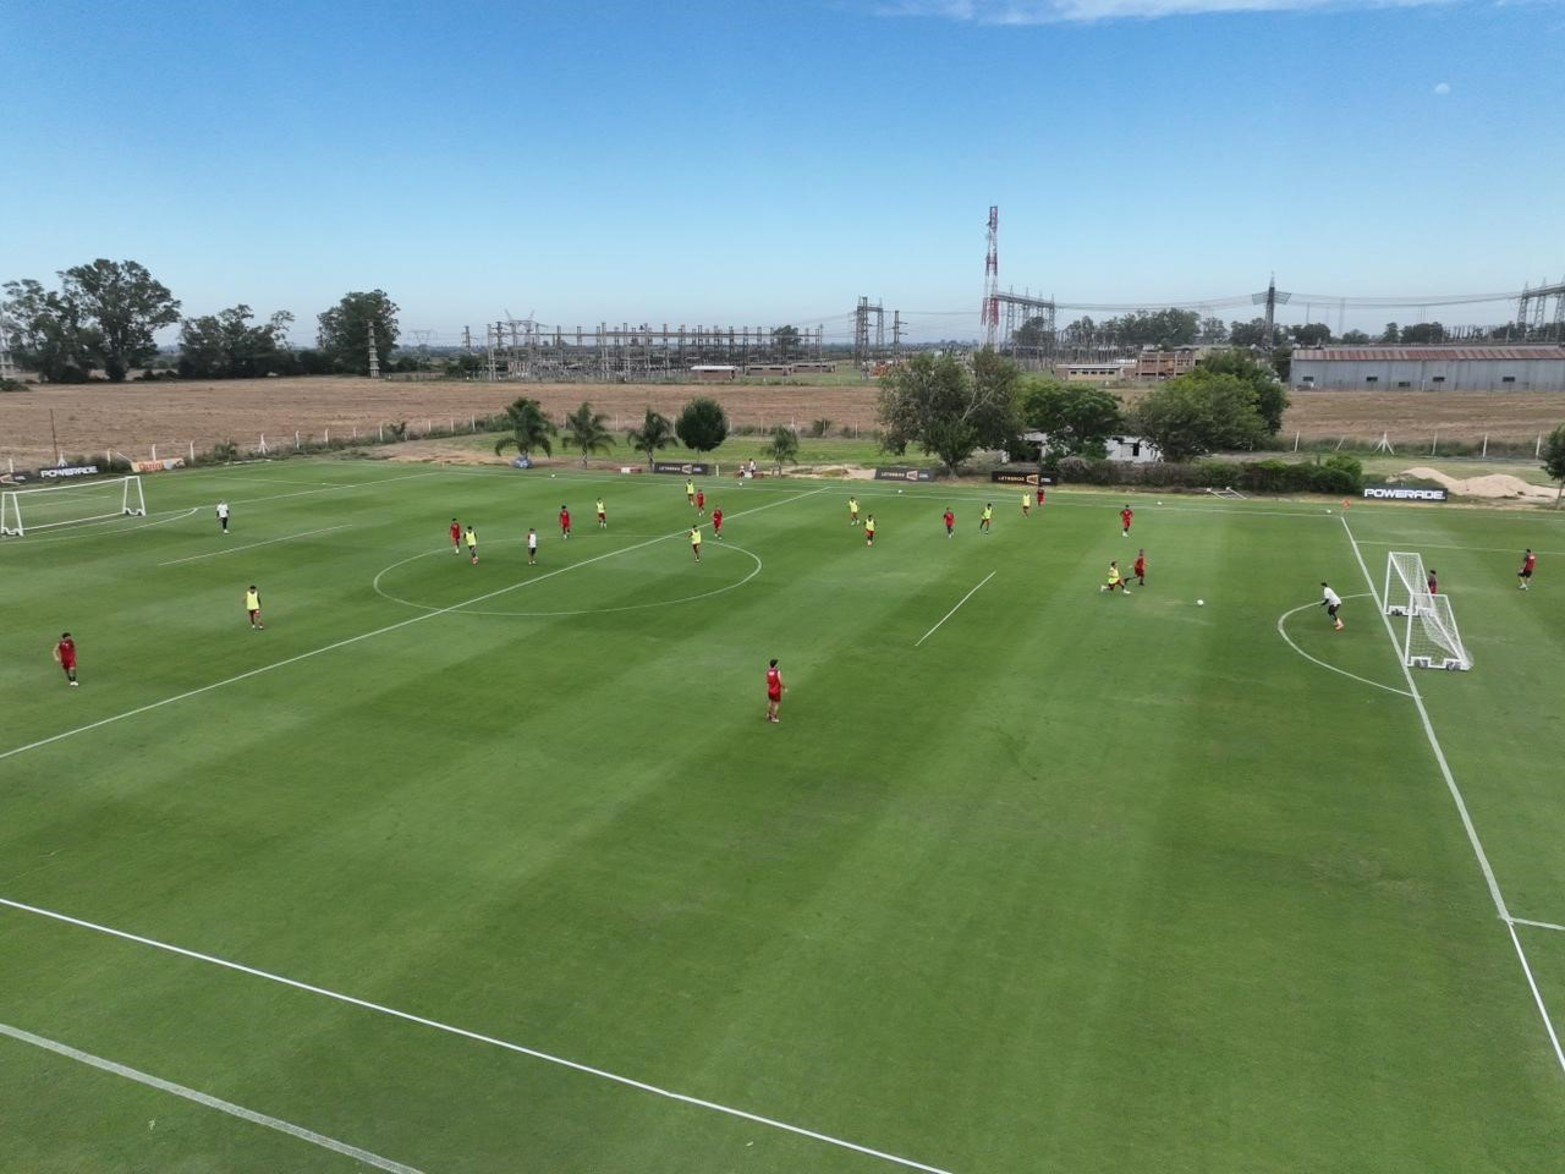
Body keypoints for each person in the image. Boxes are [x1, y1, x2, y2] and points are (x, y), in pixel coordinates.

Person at [765, 657, 785, 724]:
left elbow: (768, 682)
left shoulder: (768, 672)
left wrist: (769, 690)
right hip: (776, 691)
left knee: (770, 702)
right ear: (775, 665)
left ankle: (768, 714)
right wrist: (784, 687)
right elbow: (780, 681)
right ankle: (773, 718)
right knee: (776, 704)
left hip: (770, 690)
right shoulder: (777, 671)